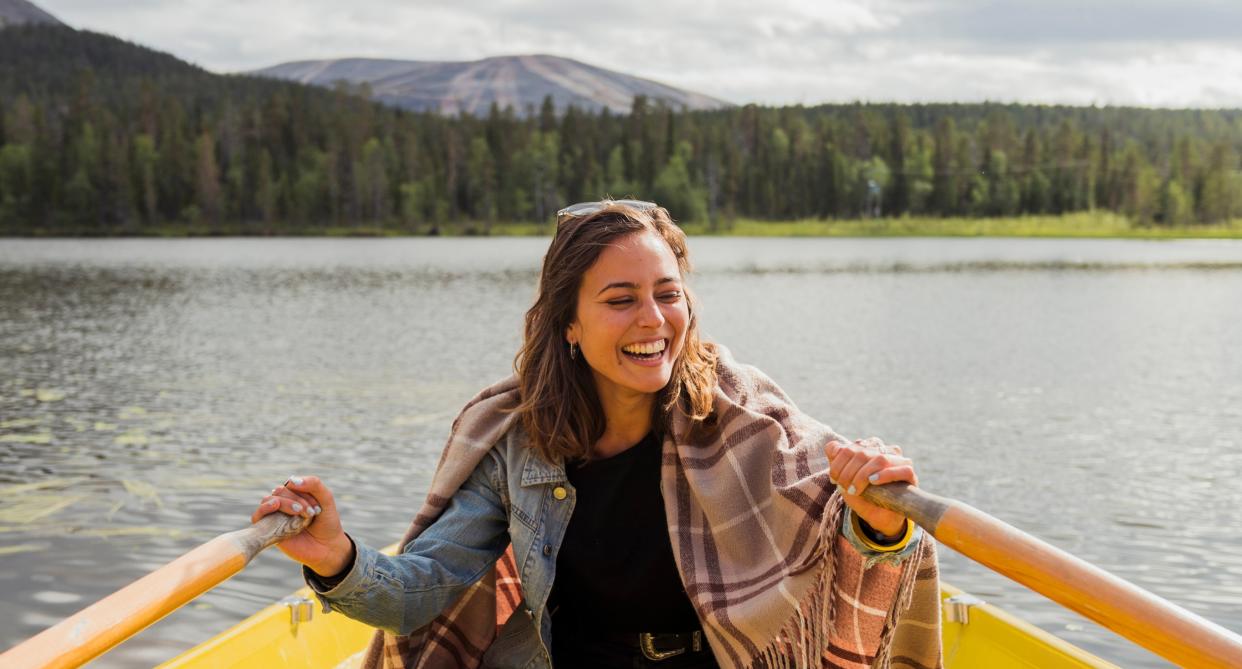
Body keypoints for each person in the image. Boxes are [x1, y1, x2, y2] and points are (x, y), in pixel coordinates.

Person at [251, 200, 941, 669]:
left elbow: (837, 514)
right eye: (620, 299)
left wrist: (879, 522)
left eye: (667, 293)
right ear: (569, 325)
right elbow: (417, 594)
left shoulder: (742, 414)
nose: (653, 319)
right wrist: (336, 556)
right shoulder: (518, 441)